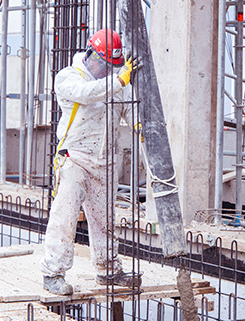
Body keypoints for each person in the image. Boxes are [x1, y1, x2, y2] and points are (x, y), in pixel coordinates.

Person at [40, 29, 142, 295]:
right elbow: (87, 94)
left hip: (105, 162)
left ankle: (108, 269)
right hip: (75, 158)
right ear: (91, 55)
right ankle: (53, 273)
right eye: (106, 64)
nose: (109, 71)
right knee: (65, 216)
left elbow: (131, 110)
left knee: (104, 220)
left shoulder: (119, 82)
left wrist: (141, 124)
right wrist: (119, 80)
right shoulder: (68, 77)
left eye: (114, 67)